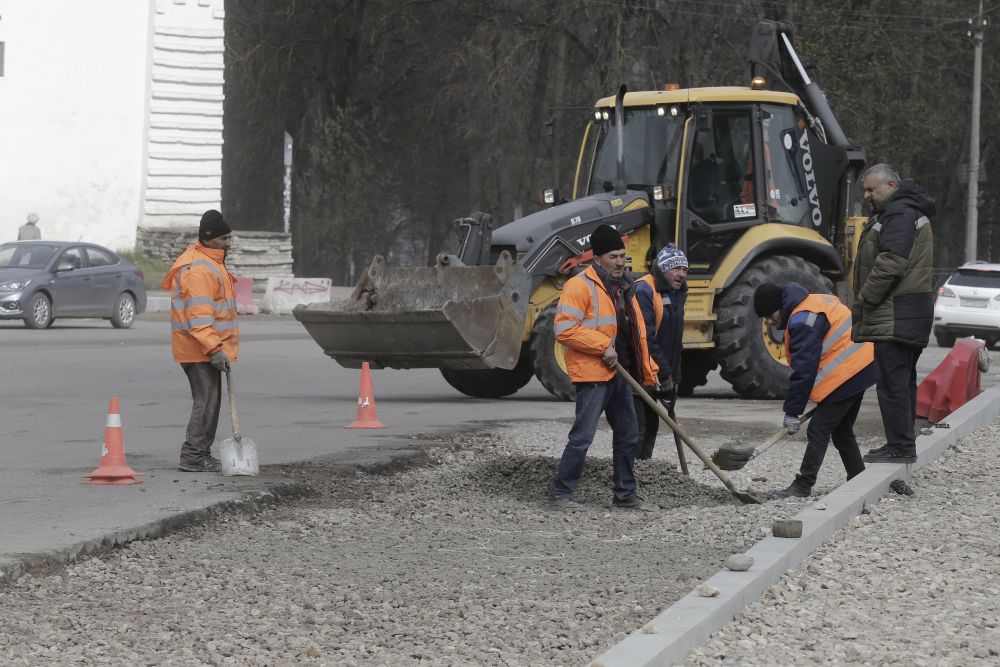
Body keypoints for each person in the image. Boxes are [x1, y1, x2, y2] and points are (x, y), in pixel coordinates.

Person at [548, 224, 659, 510]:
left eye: (622, 255)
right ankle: (560, 495)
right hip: (594, 375)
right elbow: (564, 329)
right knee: (582, 437)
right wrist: (601, 347)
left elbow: (635, 333)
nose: (620, 261)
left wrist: (648, 369)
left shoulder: (626, 287)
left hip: (621, 373)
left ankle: (625, 495)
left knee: (628, 435)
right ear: (597, 258)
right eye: (613, 256)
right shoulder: (579, 285)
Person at [754, 283, 876, 498]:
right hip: (863, 366)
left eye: (769, 315)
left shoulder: (803, 321)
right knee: (841, 430)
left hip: (848, 373)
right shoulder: (813, 302)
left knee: (818, 429)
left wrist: (792, 412)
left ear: (779, 307)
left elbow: (804, 370)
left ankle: (802, 485)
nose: (769, 322)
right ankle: (860, 478)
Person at [852, 164, 935, 465]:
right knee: (902, 382)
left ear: (890, 184)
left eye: (871, 189)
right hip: (908, 312)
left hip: (895, 313)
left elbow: (891, 263)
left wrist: (864, 300)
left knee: (891, 384)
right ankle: (902, 444)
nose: (867, 195)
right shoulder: (906, 211)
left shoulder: (899, 214)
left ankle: (899, 447)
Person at [161, 210, 239, 472]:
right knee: (206, 401)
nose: (228, 242)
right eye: (224, 238)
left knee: (210, 400)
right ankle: (194, 457)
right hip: (199, 348)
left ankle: (200, 454)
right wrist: (215, 349)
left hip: (205, 347)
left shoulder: (211, 262)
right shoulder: (199, 270)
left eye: (229, 237)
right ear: (208, 238)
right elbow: (199, 317)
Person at [633, 244, 688, 460]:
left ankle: (644, 475)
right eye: (676, 269)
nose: (681, 274)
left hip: (658, 373)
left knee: (651, 427)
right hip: (638, 372)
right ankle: (629, 479)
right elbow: (647, 338)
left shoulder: (675, 294)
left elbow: (675, 343)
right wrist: (664, 374)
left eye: (684, 269)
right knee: (638, 429)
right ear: (662, 269)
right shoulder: (644, 290)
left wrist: (674, 379)